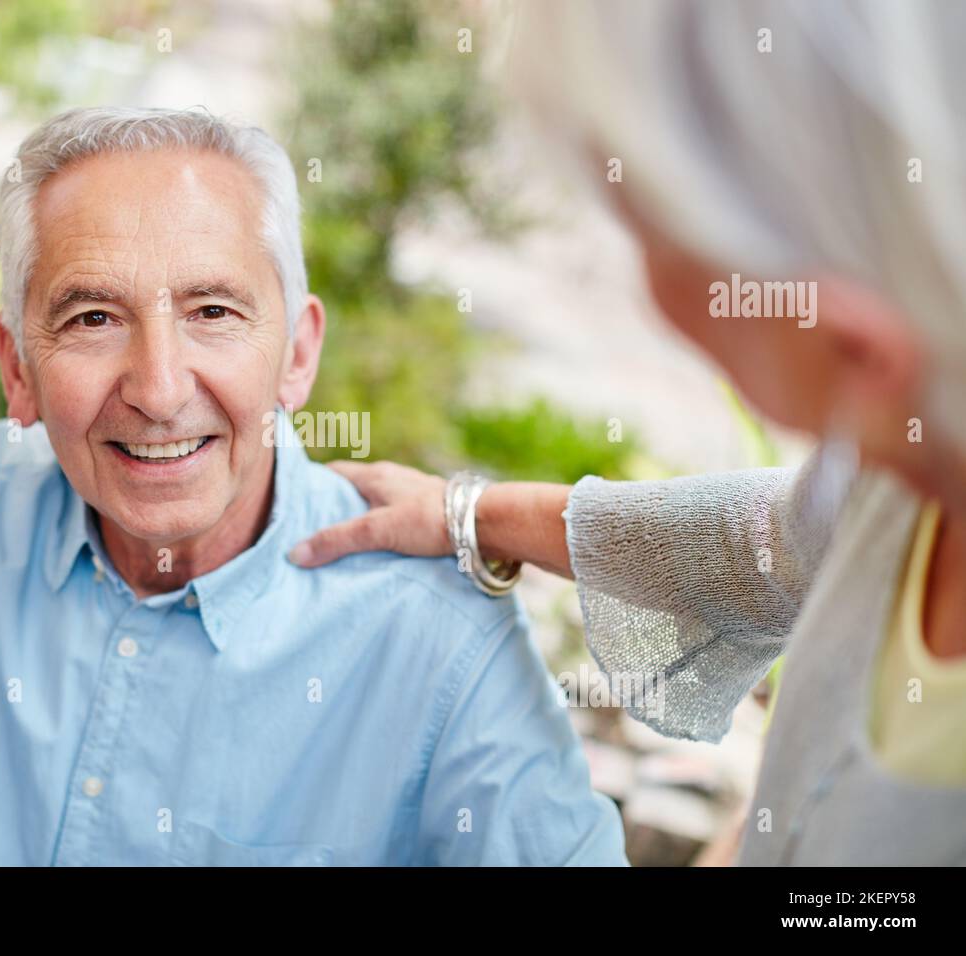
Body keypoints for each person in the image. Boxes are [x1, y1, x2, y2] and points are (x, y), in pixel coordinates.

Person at [0, 107, 625, 866]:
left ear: (297, 354)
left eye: (212, 310)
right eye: (91, 318)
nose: (160, 390)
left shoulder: (438, 635)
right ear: (17, 370)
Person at [290, 0, 966, 864]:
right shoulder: (899, 472)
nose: (652, 297)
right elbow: (765, 540)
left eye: (651, 236)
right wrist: (475, 514)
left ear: (857, 346)